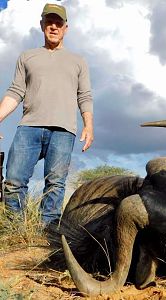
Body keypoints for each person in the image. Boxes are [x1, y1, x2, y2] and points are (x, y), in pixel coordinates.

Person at [0, 3, 94, 225]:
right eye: (49, 22)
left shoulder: (78, 61)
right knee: (13, 181)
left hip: (63, 130)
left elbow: (85, 96)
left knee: (55, 183)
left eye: (58, 23)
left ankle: (48, 233)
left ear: (65, 28)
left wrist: (88, 125)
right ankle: (16, 230)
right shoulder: (27, 57)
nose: (53, 26)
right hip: (29, 127)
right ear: (42, 25)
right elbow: (15, 91)